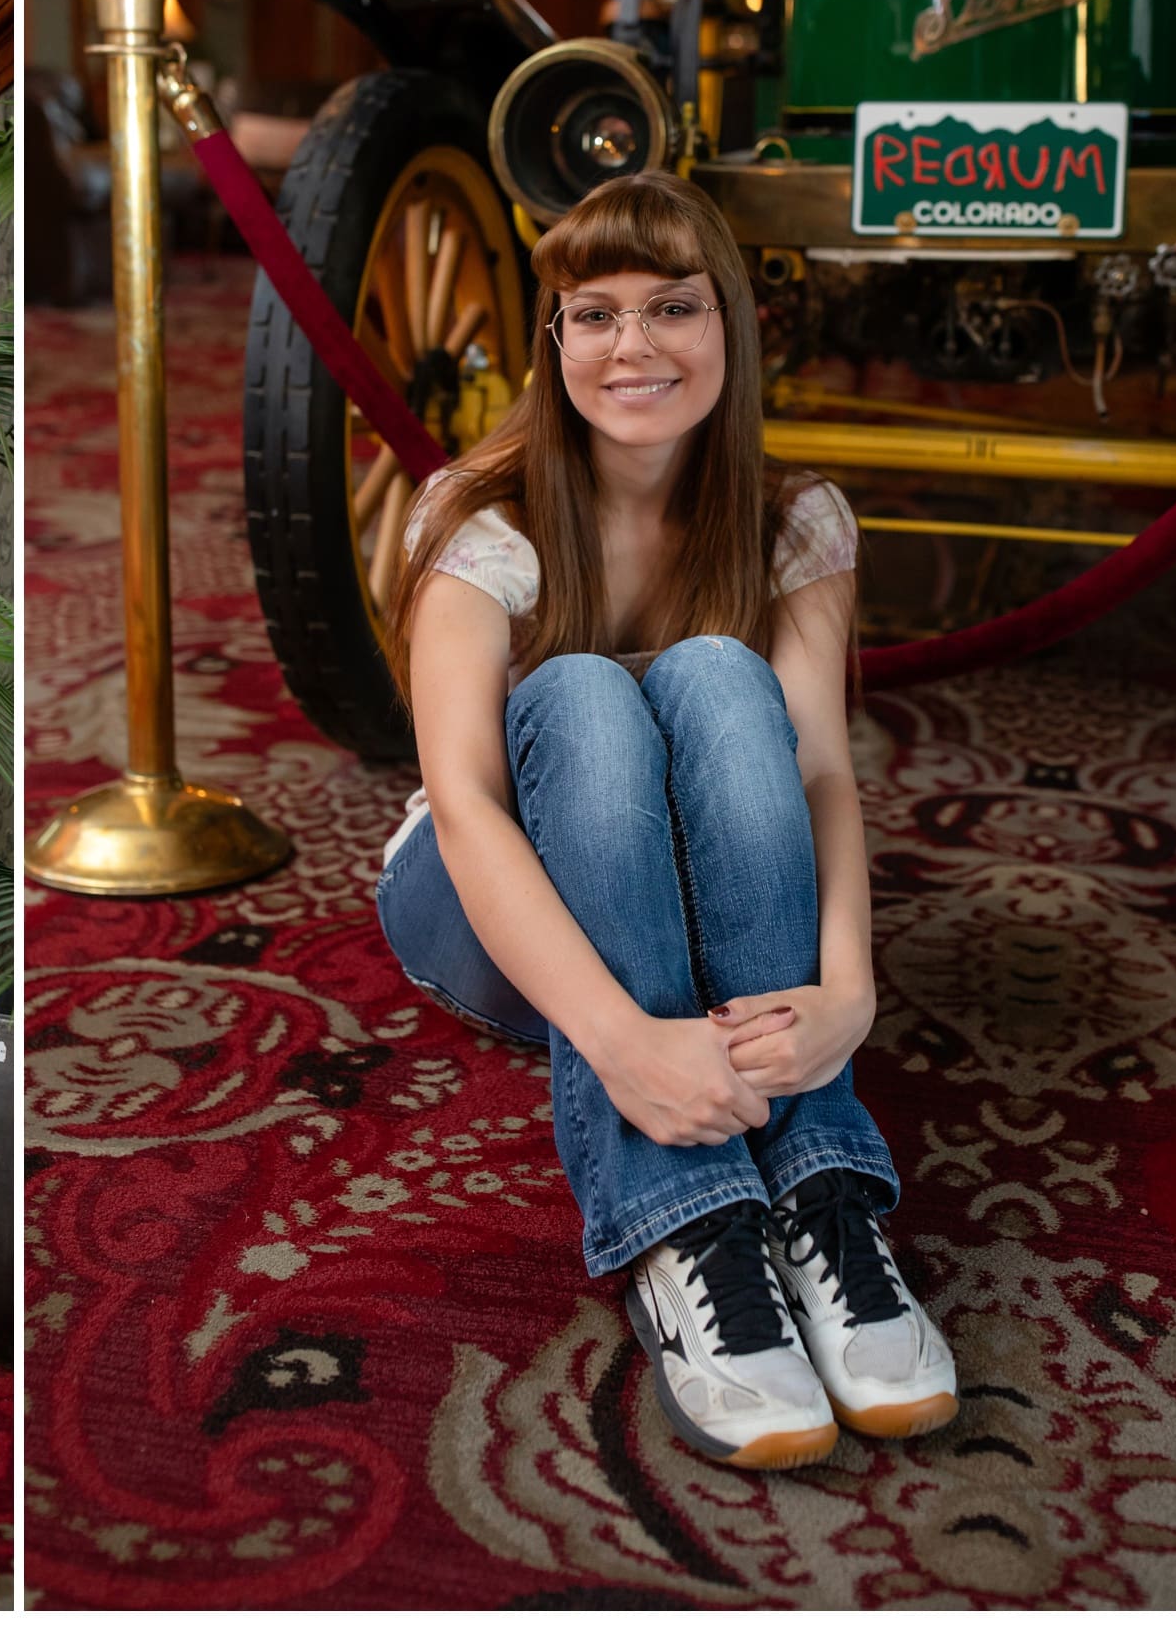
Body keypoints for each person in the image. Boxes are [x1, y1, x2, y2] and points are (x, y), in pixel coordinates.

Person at [375, 171, 957, 1471]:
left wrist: (850, 993)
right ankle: (687, 1224)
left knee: (715, 673)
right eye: (594, 315)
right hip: (487, 905)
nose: (631, 347)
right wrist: (621, 1041)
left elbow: (819, 781)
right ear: (556, 339)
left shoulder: (793, 517)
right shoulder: (484, 515)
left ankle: (823, 1199)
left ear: (730, 325)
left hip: (713, 891)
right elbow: (465, 809)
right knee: (582, 691)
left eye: (672, 308)